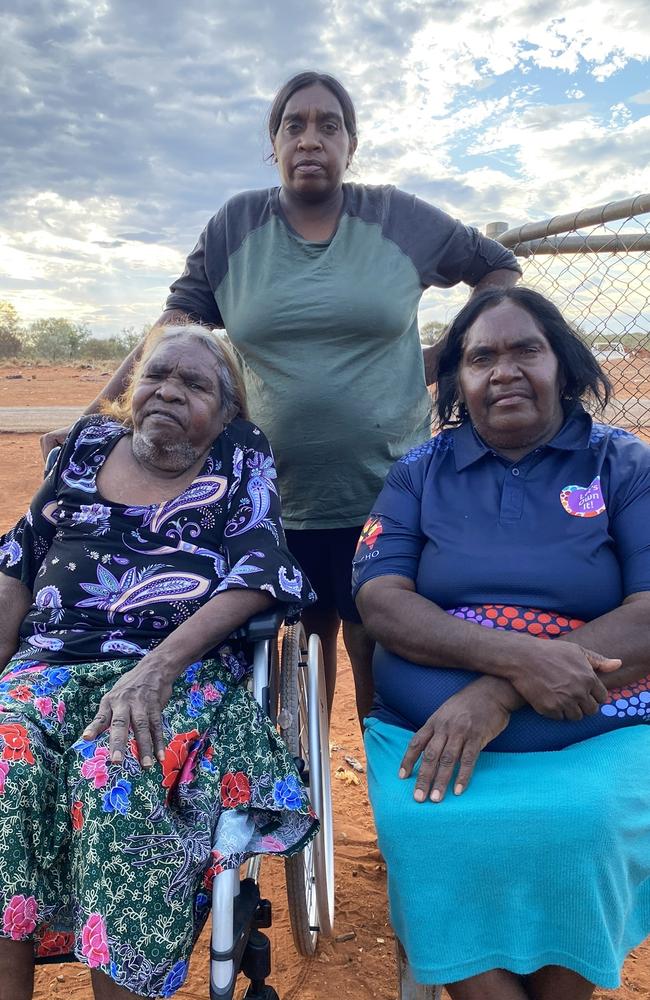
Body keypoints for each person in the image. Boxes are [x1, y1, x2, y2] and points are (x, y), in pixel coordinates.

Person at [40, 71, 521, 724]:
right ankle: (312, 804)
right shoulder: (235, 226)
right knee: (304, 648)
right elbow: (173, 329)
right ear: (274, 144)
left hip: (391, 490)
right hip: (275, 495)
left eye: (329, 124)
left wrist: (449, 357)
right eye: (294, 124)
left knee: (379, 645)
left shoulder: (398, 218)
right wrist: (93, 421)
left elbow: (497, 265)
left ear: (351, 143)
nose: (311, 138)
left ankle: (389, 803)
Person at [0, 324, 318, 1000]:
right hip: (46, 665)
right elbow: (20, 558)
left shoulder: (240, 454)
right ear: (132, 388)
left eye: (195, 384)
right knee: (5, 760)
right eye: (156, 375)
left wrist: (158, 666)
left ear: (226, 410)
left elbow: (263, 567)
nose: (169, 390)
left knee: (112, 772)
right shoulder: (85, 447)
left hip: (177, 673)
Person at [352, 287, 650, 1000]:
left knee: (584, 826)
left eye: (526, 351)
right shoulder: (418, 473)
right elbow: (380, 600)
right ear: (459, 382)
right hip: (428, 735)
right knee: (432, 834)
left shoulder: (623, 466)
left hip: (595, 733)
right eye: (481, 357)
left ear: (565, 368)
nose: (504, 370)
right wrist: (516, 659)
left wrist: (495, 696)